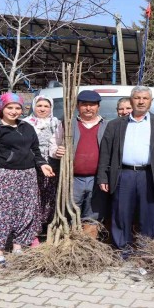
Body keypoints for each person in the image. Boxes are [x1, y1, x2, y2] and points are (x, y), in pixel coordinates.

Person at [97, 86, 154, 255]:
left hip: (150, 175)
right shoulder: (115, 125)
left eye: (145, 98)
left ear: (150, 101)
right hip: (123, 175)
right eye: (137, 98)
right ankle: (122, 249)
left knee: (149, 215)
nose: (141, 101)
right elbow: (105, 153)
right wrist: (103, 178)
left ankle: (147, 250)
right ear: (131, 100)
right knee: (121, 213)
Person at [0, 93, 55, 267]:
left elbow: (35, 151)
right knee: (1, 213)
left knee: (26, 211)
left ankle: (18, 247)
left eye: (17, 108)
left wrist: (42, 165)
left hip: (28, 176)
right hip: (5, 176)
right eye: (10, 107)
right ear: (1, 108)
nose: (14, 111)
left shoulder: (27, 127)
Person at [55, 90, 108, 238]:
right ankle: (71, 244)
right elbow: (55, 144)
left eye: (92, 105)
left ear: (98, 107)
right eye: (84, 104)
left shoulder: (106, 126)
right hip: (72, 178)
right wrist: (56, 151)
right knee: (71, 212)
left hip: (97, 179)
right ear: (78, 106)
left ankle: (87, 247)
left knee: (92, 214)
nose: (88, 108)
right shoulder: (67, 124)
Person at [25, 95, 63, 241]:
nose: (42, 109)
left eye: (46, 106)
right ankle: (32, 232)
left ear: (51, 108)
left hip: (53, 166)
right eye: (39, 105)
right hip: (32, 167)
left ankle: (49, 229)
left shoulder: (56, 123)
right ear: (34, 106)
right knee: (34, 199)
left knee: (50, 199)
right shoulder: (26, 123)